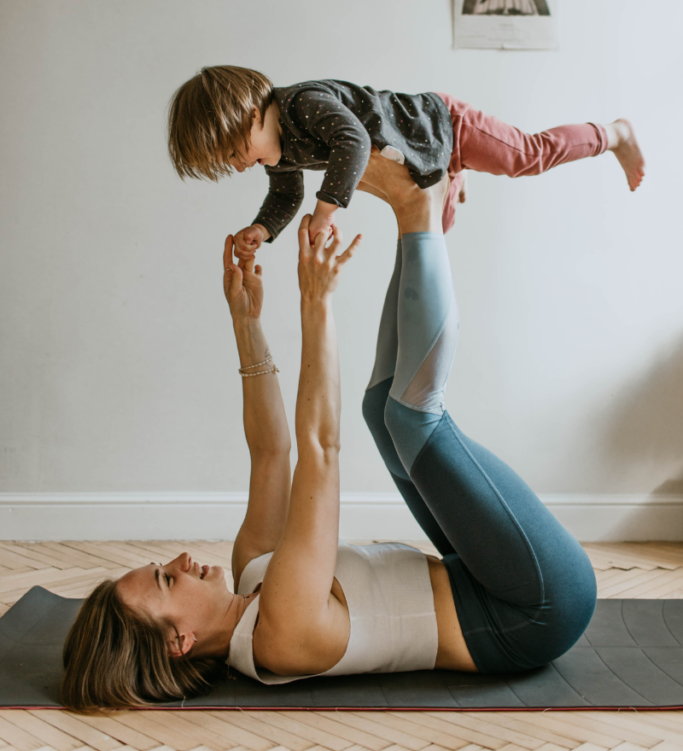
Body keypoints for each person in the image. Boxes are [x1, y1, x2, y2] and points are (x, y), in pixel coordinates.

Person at [61, 158, 597, 711]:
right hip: (535, 609)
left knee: (379, 411)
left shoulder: (253, 571)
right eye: (167, 581)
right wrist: (316, 302)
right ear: (180, 643)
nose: (177, 560)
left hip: (479, 579)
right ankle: (420, 214)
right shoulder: (282, 634)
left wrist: (246, 323)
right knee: (414, 420)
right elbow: (320, 450)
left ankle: (420, 228)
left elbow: (272, 451)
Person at [167, 66, 645, 249]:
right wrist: (263, 228)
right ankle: (452, 174)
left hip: (443, 124)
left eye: (232, 151)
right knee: (440, 232)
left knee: (525, 156)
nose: (235, 165)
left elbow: (352, 142)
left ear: (253, 114)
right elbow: (286, 193)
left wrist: (326, 211)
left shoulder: (301, 104)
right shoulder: (278, 155)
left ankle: (613, 134)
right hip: (420, 159)